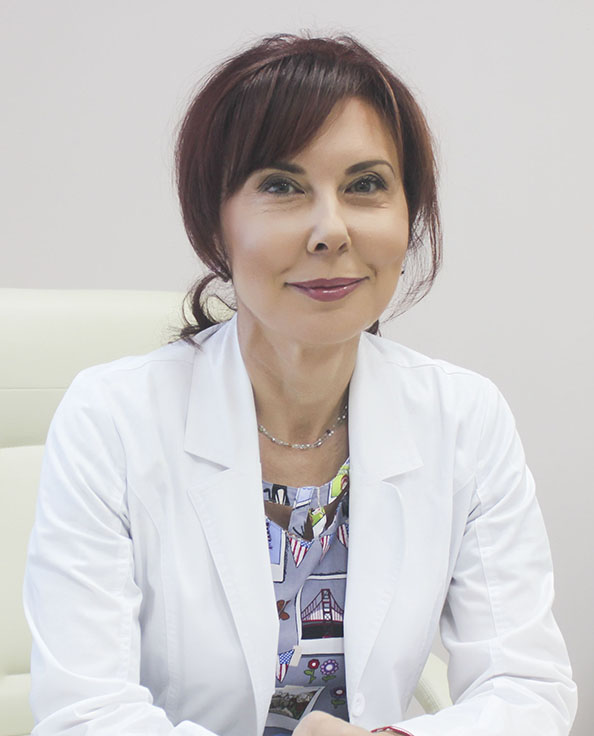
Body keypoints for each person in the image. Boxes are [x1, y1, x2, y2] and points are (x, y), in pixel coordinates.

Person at [23, 31, 577, 736]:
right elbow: (84, 715)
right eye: (282, 187)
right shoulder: (111, 420)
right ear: (215, 222)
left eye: (366, 185)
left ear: (409, 216)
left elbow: (527, 687)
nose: (330, 231)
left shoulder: (464, 418)